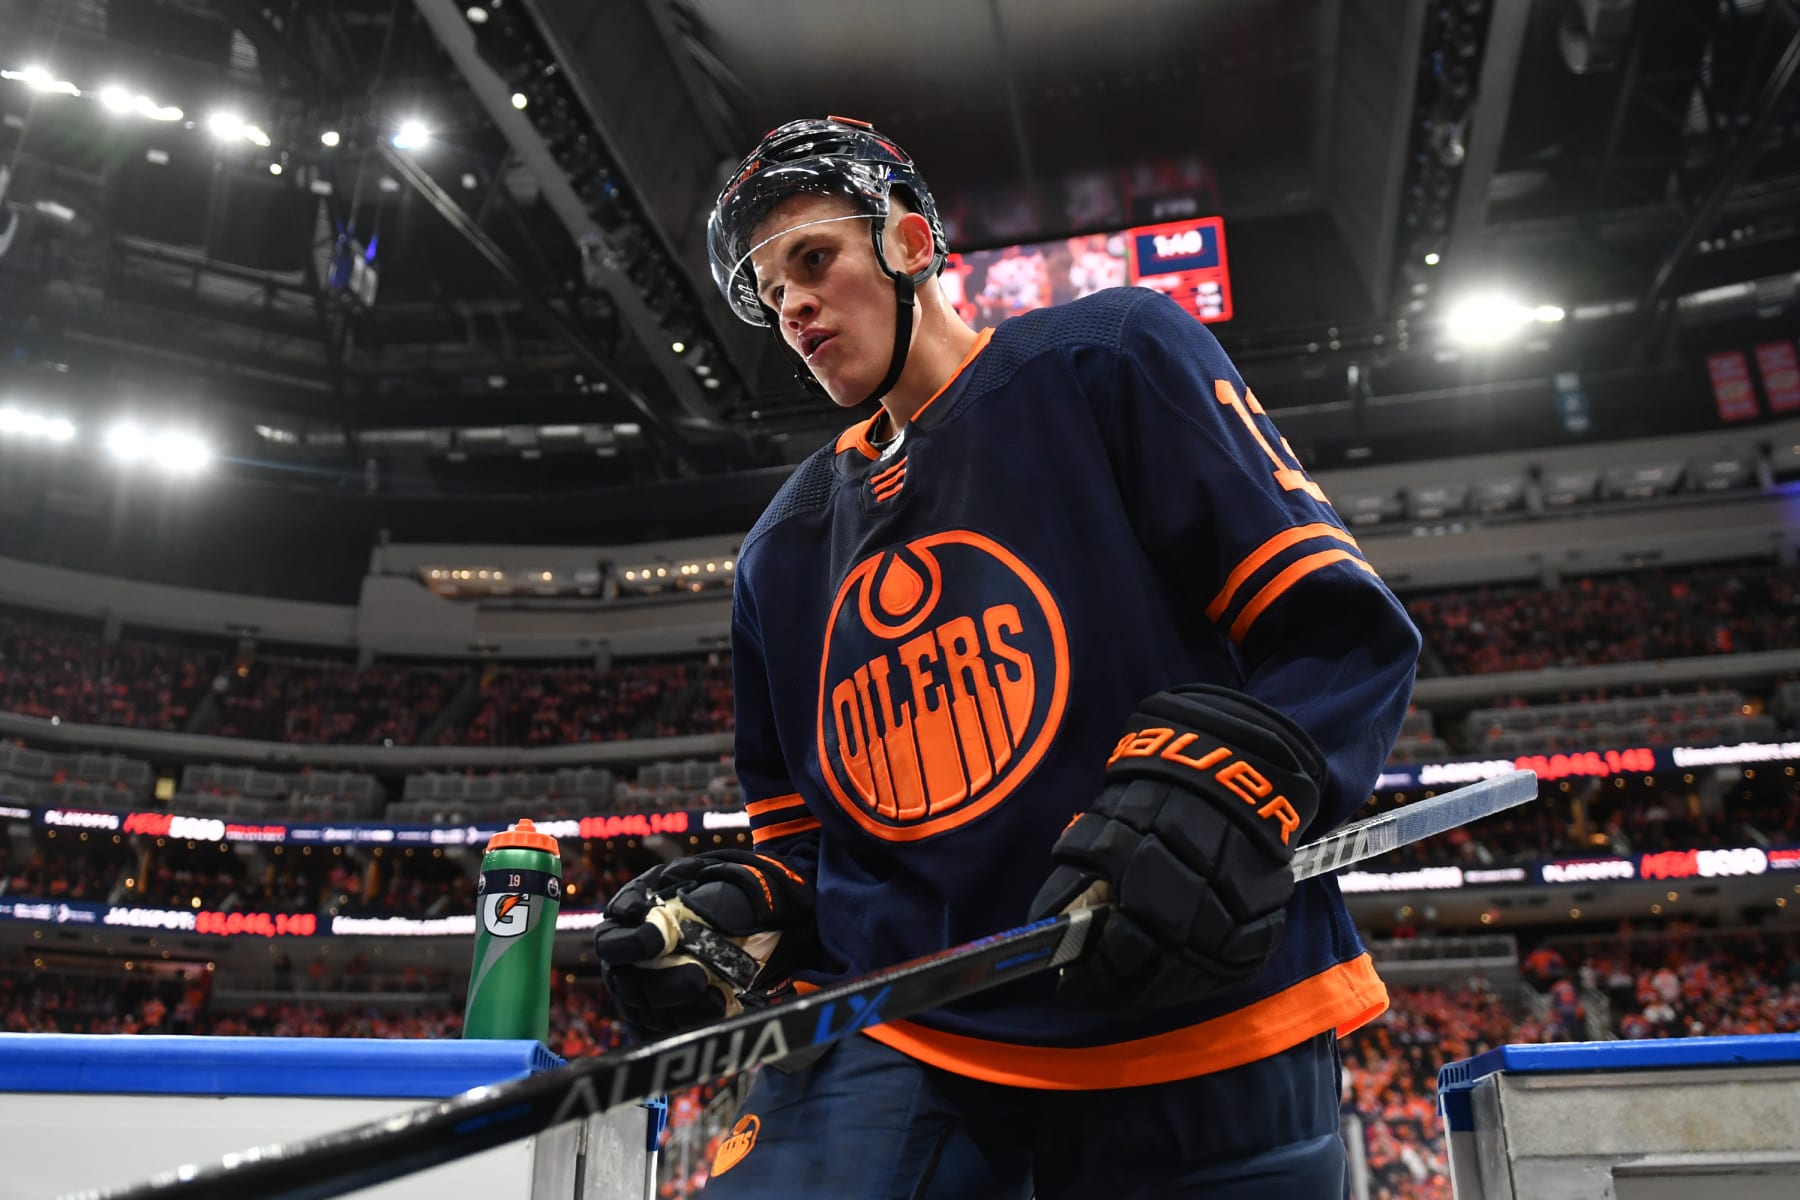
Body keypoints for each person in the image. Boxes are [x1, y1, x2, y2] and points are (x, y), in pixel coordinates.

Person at [594, 116, 1421, 1198]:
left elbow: (1332, 630)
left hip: (1193, 1009)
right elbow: (807, 849)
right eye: (768, 286)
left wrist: (1239, 779)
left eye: (812, 257)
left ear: (909, 243)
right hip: (906, 1027)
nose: (791, 306)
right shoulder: (780, 554)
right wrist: (742, 913)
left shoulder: (1112, 354)